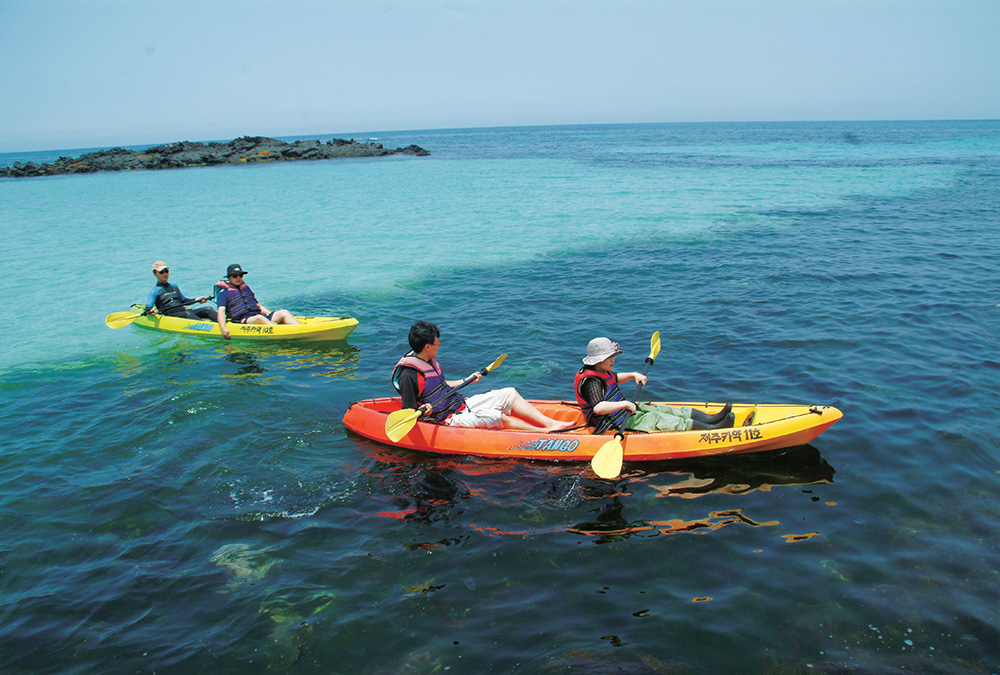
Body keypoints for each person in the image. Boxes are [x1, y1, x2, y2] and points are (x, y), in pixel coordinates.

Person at [391, 321, 564, 431]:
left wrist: (466, 380)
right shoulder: (409, 375)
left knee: (509, 393)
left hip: (460, 405)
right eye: (437, 343)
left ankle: (549, 423)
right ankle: (544, 433)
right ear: (427, 346)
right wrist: (422, 411)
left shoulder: (428, 361)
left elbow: (440, 385)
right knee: (495, 416)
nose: (439, 345)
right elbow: (409, 411)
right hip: (446, 420)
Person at [575, 337, 734, 433]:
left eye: (613, 356)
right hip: (611, 421)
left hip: (622, 411)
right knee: (657, 419)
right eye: (609, 357)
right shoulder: (591, 382)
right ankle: (712, 431)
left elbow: (614, 378)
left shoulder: (601, 372)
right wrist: (624, 403)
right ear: (597, 360)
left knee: (663, 409)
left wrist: (633, 375)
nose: (613, 360)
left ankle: (712, 419)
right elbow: (598, 408)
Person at [214, 263, 300, 340]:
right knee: (259, 318)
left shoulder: (245, 289)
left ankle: (300, 330)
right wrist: (223, 328)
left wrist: (270, 315)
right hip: (244, 320)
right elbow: (221, 311)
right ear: (229, 277)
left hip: (258, 316)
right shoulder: (223, 293)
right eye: (235, 276)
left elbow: (258, 306)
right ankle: (284, 333)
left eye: (240, 275)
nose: (238, 278)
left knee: (283, 312)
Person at [145, 261, 216, 320]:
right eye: (161, 272)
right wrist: (151, 310)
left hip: (183, 311)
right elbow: (148, 306)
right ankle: (207, 327)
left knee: (208, 309)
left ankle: (224, 324)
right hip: (171, 315)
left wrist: (196, 299)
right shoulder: (155, 291)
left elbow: (184, 301)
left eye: (166, 271)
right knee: (186, 314)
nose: (165, 274)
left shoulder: (174, 286)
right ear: (155, 273)